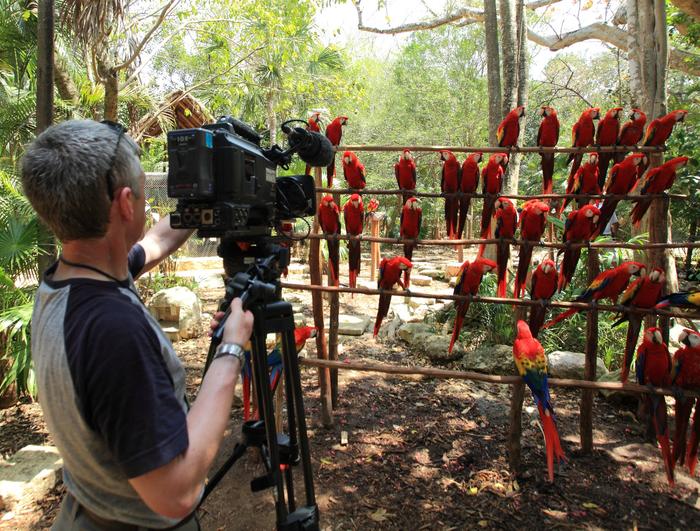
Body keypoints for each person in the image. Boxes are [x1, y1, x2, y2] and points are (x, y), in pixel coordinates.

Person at [21, 120, 254, 530]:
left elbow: (154, 243)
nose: (149, 206)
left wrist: (203, 199)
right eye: (146, 194)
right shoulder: (114, 329)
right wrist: (230, 350)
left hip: (88, 511)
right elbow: (176, 492)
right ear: (126, 203)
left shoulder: (67, 280)